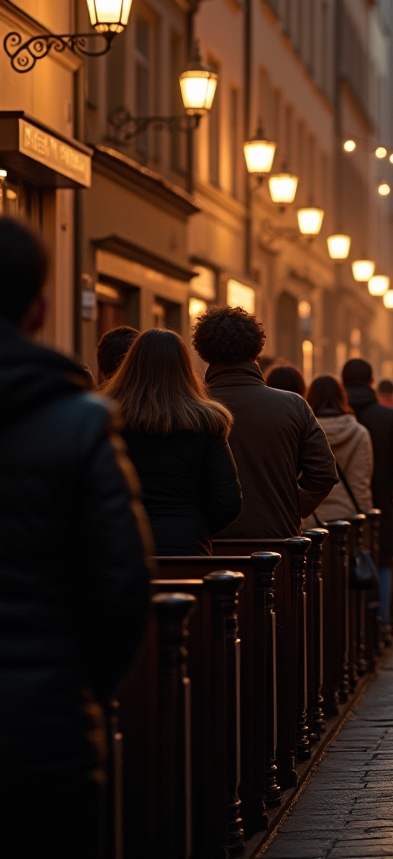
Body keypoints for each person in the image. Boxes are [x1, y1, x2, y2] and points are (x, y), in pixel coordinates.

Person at [0, 217, 151, 858]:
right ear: (39, 309)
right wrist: (84, 688)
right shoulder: (78, 422)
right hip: (39, 725)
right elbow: (121, 581)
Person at [192, 306, 336, 538]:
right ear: (257, 351)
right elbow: (324, 473)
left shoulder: (192, 407)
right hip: (277, 541)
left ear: (204, 354)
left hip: (209, 542)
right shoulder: (293, 405)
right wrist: (289, 506)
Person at [108, 328, 242, 553]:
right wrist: (193, 526)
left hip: (121, 543)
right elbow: (227, 502)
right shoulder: (207, 423)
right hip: (186, 545)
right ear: (184, 368)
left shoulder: (108, 420)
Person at [342, 357, 393, 631]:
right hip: (379, 505)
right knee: (381, 562)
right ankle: (377, 624)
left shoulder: (323, 416)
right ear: (371, 382)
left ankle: (344, 627)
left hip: (336, 509)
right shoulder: (388, 417)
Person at [304, 374, 373, 524]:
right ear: (342, 397)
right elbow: (360, 480)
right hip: (347, 516)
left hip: (311, 517)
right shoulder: (359, 433)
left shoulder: (303, 432)